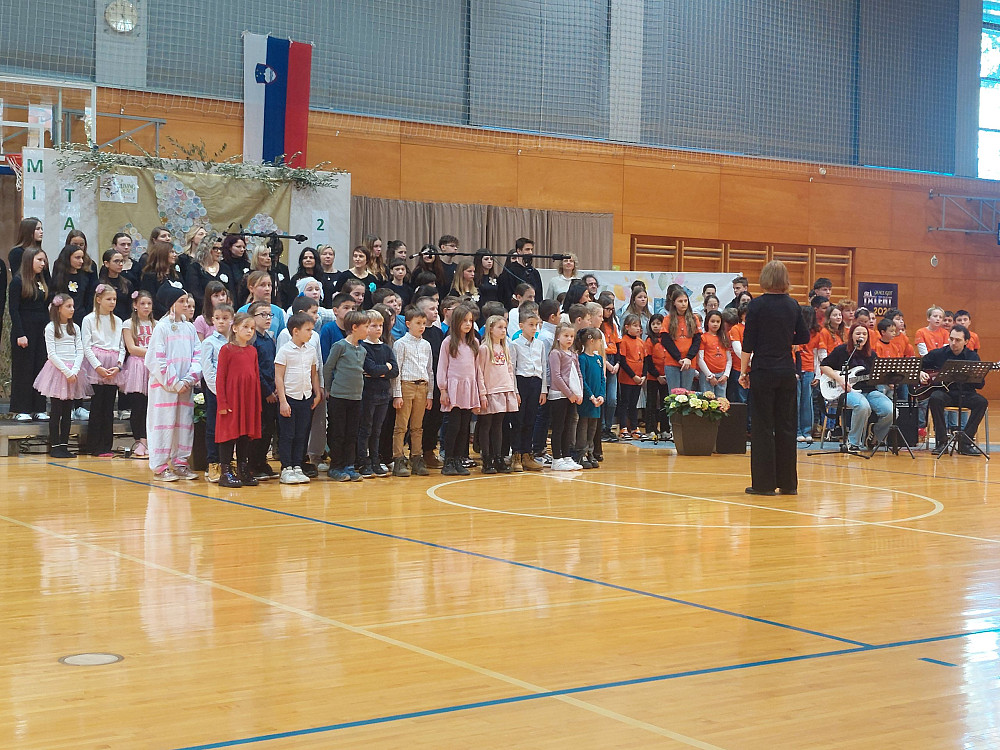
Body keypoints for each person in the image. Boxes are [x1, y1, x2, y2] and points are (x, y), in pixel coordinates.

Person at [738, 260, 810, 496]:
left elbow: (748, 342)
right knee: (787, 426)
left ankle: (764, 484)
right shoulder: (792, 305)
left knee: (762, 427)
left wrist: (743, 371)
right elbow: (804, 337)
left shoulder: (757, 306)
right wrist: (784, 337)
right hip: (786, 371)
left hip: (763, 371)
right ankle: (789, 484)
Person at [145, 284, 202, 481]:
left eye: (187, 301)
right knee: (163, 423)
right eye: (182, 301)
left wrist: (189, 379)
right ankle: (160, 466)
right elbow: (156, 358)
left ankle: (180, 463)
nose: (186, 305)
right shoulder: (161, 328)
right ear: (171, 305)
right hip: (165, 388)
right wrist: (174, 382)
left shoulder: (190, 327)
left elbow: (198, 354)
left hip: (184, 386)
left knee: (183, 424)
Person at [819, 323, 893, 453]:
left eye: (864, 334)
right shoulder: (841, 351)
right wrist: (840, 380)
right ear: (851, 336)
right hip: (846, 391)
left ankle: (874, 436)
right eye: (858, 333)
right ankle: (853, 442)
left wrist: (889, 380)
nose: (861, 336)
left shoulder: (872, 355)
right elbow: (824, 366)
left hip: (869, 391)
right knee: (862, 406)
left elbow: (878, 376)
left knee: (891, 410)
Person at [921, 324, 990, 456]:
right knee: (935, 398)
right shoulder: (938, 354)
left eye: (957, 340)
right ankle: (941, 442)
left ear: (966, 341)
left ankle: (966, 442)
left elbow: (980, 385)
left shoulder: (973, 357)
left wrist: (977, 376)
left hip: (966, 394)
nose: (953, 343)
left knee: (981, 402)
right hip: (946, 393)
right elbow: (918, 365)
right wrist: (920, 373)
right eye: (951, 339)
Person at [34, 294, 89, 458]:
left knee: (68, 411)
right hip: (58, 371)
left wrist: (75, 369)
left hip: (73, 371)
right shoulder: (51, 328)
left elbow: (80, 350)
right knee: (56, 410)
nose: (72, 309)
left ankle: (64, 445)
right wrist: (66, 371)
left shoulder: (75, 328)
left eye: (73, 306)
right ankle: (55, 446)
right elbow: (51, 354)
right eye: (68, 306)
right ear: (59, 309)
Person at [216, 312, 263, 488]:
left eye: (252, 328)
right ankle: (225, 472)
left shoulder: (252, 351)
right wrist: (222, 403)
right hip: (232, 400)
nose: (249, 331)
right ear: (235, 328)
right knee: (229, 436)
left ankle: (243, 469)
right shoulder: (226, 350)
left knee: (245, 435)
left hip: (248, 399)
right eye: (245, 327)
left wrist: (256, 403)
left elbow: (256, 378)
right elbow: (220, 378)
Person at [275, 312, 322, 484]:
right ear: (296, 331)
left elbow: (314, 374)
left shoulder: (310, 350)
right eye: (308, 330)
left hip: (306, 397)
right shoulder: (285, 350)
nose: (311, 333)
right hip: (289, 398)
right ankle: (286, 467)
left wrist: (317, 393)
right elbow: (278, 377)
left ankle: (297, 465)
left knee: (302, 434)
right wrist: (283, 401)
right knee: (288, 434)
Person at [324, 310, 370, 482]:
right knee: (338, 432)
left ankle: (349, 465)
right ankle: (336, 466)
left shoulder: (363, 350)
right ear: (354, 327)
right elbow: (328, 368)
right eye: (365, 326)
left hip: (356, 398)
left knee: (352, 433)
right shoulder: (340, 346)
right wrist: (328, 389)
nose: (368, 330)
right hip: (339, 397)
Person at [437, 303, 481, 476]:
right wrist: (443, 390)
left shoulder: (474, 343)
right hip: (453, 389)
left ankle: (458, 459)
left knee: (464, 427)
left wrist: (477, 392)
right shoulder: (448, 342)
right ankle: (448, 460)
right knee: (453, 426)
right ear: (456, 322)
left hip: (468, 388)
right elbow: (442, 367)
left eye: (470, 321)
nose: (468, 324)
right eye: (464, 320)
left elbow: (476, 370)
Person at [81, 285, 125, 457]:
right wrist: (97, 366)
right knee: (97, 406)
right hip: (97, 365)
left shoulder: (119, 321)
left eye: (114, 299)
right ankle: (94, 445)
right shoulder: (89, 319)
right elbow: (86, 345)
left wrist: (119, 365)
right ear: (98, 300)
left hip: (113, 366)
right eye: (109, 299)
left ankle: (107, 445)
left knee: (108, 408)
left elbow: (122, 346)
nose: (112, 302)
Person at [391, 306, 434, 477]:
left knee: (417, 427)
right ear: (408, 324)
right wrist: (397, 394)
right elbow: (397, 370)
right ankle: (398, 459)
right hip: (406, 385)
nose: (422, 326)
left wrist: (429, 394)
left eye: (424, 323)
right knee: (401, 426)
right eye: (418, 323)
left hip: (422, 387)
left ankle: (416, 457)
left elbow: (429, 370)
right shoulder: (400, 344)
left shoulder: (426, 345)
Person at [9, 248, 51, 421]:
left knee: (39, 368)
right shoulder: (18, 282)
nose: (43, 264)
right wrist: (20, 333)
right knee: (24, 369)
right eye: (39, 260)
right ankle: (22, 408)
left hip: (40, 331)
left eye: (44, 261)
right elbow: (14, 310)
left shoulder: (40, 282)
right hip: (24, 331)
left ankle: (38, 407)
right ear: (29, 260)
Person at [357, 308, 398, 477]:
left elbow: (394, 371)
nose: (378, 329)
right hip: (368, 394)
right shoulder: (362, 347)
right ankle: (362, 461)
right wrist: (384, 369)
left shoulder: (386, 348)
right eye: (374, 325)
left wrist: (383, 369)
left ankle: (375, 459)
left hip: (383, 394)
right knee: (365, 428)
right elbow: (371, 369)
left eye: (381, 325)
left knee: (377, 429)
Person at [476, 314, 519, 475]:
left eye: (505, 328)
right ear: (490, 329)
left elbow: (509, 370)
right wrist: (482, 393)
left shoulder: (505, 347)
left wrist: (513, 390)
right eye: (500, 327)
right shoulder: (484, 349)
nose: (503, 331)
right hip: (490, 391)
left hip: (503, 390)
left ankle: (498, 457)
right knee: (486, 425)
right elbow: (479, 372)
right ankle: (487, 459)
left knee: (499, 426)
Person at [199, 302, 234, 483]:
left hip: (232, 393)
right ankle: (213, 462)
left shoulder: (235, 342)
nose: (221, 322)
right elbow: (208, 370)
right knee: (213, 427)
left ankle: (227, 462)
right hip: (215, 392)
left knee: (230, 428)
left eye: (225, 318)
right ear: (212, 320)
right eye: (217, 318)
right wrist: (219, 392)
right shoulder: (209, 343)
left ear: (232, 320)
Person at [508, 308, 546, 472]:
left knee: (531, 420)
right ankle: (516, 454)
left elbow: (543, 367)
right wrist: (515, 391)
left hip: (535, 383)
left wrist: (543, 390)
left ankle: (527, 454)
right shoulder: (515, 345)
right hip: (521, 383)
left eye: (536, 325)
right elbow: (512, 369)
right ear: (521, 325)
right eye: (531, 325)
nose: (534, 328)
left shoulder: (540, 344)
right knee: (518, 420)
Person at [120, 291, 155, 459]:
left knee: (151, 407)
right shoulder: (128, 324)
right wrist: (151, 352)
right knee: (138, 406)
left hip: (152, 367)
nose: (146, 307)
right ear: (135, 305)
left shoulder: (156, 324)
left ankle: (148, 440)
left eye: (149, 303)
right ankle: (139, 441)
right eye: (142, 303)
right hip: (136, 366)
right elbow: (132, 348)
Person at [248, 300, 279, 480]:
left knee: (268, 428)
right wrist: (267, 391)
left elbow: (273, 366)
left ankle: (262, 462)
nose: (268, 318)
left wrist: (275, 388)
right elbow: (256, 370)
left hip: (271, 390)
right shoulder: (253, 340)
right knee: (258, 428)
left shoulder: (269, 339)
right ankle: (253, 463)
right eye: (263, 314)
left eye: (269, 315)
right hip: (259, 392)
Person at [548, 323, 584, 470]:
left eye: (571, 336)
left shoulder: (574, 354)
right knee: (559, 427)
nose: (569, 339)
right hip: (559, 396)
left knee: (569, 427)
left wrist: (579, 393)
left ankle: (566, 456)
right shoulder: (555, 354)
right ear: (558, 337)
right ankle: (556, 459)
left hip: (572, 396)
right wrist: (569, 394)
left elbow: (579, 374)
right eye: (566, 336)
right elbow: (556, 376)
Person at [576, 327, 606, 469]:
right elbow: (583, 380)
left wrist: (601, 395)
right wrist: (591, 396)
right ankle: (581, 453)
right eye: (600, 341)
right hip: (587, 400)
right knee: (583, 426)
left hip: (597, 400)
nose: (601, 344)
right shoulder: (582, 358)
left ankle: (590, 452)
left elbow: (602, 379)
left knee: (593, 427)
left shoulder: (599, 359)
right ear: (592, 341)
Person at [662, 289, 701, 392]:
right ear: (674, 303)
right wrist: (678, 358)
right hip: (672, 362)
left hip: (689, 362)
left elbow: (697, 340)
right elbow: (666, 341)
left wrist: (688, 358)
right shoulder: (667, 319)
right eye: (680, 301)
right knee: (674, 395)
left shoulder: (694, 318)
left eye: (685, 301)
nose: (684, 304)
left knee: (686, 394)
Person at [616, 313, 645, 440]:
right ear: (627, 327)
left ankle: (634, 427)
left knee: (634, 404)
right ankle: (623, 427)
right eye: (634, 326)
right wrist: (633, 376)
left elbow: (645, 361)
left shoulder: (641, 342)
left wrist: (643, 376)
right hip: (627, 379)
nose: (638, 328)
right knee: (625, 403)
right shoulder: (623, 341)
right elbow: (623, 361)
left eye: (639, 326)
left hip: (638, 379)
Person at [51, 243, 96, 324]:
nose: (81, 261)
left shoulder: (84, 276)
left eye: (82, 258)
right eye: (77, 258)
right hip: (62, 319)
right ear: (68, 258)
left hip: (81, 318)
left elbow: (88, 298)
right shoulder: (60, 277)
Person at [184, 232, 225, 317]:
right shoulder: (194, 267)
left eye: (220, 249)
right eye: (215, 248)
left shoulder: (225, 267)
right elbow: (194, 291)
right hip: (203, 312)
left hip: (224, 311)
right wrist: (210, 306)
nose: (219, 252)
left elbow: (231, 291)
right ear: (206, 249)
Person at [795, 305, 819, 443]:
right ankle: (797, 430)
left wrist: (818, 375)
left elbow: (817, 356)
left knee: (807, 402)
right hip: (796, 370)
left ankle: (806, 430)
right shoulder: (794, 332)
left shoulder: (816, 333)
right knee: (796, 401)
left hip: (809, 370)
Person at [140, 240, 183, 316]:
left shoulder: (176, 275)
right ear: (162, 254)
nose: (175, 255)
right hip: (159, 317)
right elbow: (151, 299)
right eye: (171, 252)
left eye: (175, 252)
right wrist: (169, 312)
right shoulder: (150, 276)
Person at [238, 271, 286, 338]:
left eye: (269, 285)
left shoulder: (278, 311)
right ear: (251, 288)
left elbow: (281, 335)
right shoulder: (243, 310)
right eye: (262, 285)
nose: (267, 289)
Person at [497, 238, 543, 308]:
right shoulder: (509, 272)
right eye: (527, 249)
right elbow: (507, 296)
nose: (530, 252)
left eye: (531, 249)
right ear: (519, 251)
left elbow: (539, 295)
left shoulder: (534, 272)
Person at [643, 315, 668, 440]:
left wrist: (666, 375)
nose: (656, 326)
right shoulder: (649, 341)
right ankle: (650, 429)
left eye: (659, 323)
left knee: (665, 403)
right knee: (651, 403)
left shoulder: (667, 339)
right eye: (654, 324)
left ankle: (665, 429)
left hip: (667, 376)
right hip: (654, 377)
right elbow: (648, 362)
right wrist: (657, 376)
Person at [699, 310, 732, 399]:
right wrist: (709, 375)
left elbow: (729, 359)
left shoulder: (724, 338)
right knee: (708, 401)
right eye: (712, 321)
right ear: (707, 322)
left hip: (722, 376)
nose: (715, 324)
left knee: (721, 402)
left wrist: (726, 375)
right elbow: (700, 359)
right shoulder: (703, 338)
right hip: (708, 376)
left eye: (718, 322)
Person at [99, 248, 134, 322]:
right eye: (116, 261)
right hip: (104, 321)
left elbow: (130, 306)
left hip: (124, 320)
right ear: (107, 264)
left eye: (122, 261)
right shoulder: (100, 284)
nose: (120, 264)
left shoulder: (127, 283)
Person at [221, 234, 251, 302]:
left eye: (243, 247)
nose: (242, 250)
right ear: (229, 247)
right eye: (238, 247)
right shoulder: (222, 265)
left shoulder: (247, 265)